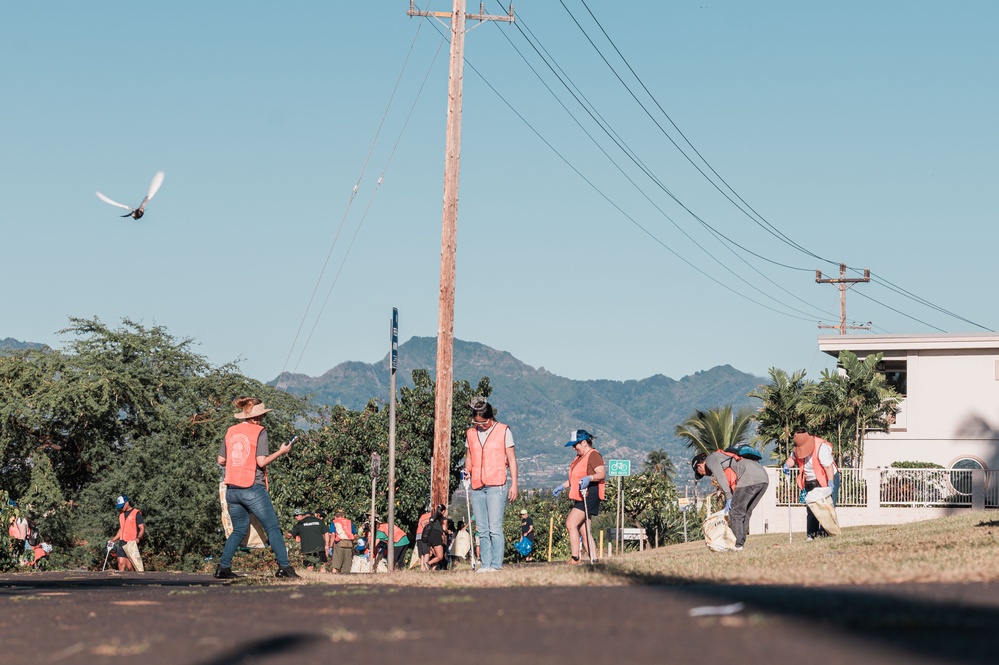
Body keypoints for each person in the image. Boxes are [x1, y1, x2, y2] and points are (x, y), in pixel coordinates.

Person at [215, 397, 299, 579]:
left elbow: (221, 460)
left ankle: (223, 567)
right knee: (272, 528)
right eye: (262, 415)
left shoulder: (231, 431)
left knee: (239, 530)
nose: (263, 419)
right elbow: (261, 461)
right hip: (252, 487)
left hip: (232, 489)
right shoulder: (260, 431)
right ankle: (285, 567)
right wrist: (281, 451)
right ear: (257, 416)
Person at [463, 399, 519, 572]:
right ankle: (485, 564)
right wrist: (466, 471)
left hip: (497, 484)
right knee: (482, 528)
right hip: (477, 485)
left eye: (484, 422)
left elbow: (511, 458)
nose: (480, 425)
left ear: (491, 418)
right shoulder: (470, 433)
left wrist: (514, 484)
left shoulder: (503, 431)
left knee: (495, 528)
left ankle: (496, 565)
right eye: (477, 422)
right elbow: (470, 457)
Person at [692, 447, 770, 551]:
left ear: (699, 465)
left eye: (699, 472)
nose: (704, 474)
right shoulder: (723, 456)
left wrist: (728, 496)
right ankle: (740, 544)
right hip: (763, 477)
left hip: (749, 477)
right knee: (745, 512)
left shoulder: (711, 459)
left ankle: (737, 545)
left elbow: (720, 476)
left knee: (736, 512)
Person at [553, 430, 606, 565]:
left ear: (583, 442)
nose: (574, 448)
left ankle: (575, 558)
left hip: (589, 494)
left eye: (575, 444)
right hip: (580, 495)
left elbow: (601, 473)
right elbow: (575, 479)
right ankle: (594, 559)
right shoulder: (579, 457)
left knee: (571, 523)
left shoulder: (593, 455)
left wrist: (590, 477)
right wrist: (562, 486)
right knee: (583, 529)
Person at [784, 427, 841, 540]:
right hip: (810, 481)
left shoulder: (820, 447)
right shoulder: (797, 448)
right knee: (812, 507)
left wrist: (830, 482)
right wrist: (786, 465)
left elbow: (828, 467)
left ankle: (825, 533)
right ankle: (812, 534)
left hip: (827, 477)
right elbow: (792, 459)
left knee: (827, 507)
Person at [110, 495, 145, 572]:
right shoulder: (121, 515)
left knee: (130, 566)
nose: (121, 508)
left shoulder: (136, 513)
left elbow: (142, 528)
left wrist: (138, 538)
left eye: (122, 506)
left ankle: (133, 581)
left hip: (131, 543)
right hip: (122, 541)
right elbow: (121, 529)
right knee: (121, 563)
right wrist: (113, 539)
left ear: (127, 503)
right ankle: (121, 581)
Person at [422, 505, 448, 570]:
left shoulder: (432, 518)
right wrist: (448, 531)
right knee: (440, 556)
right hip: (437, 536)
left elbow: (423, 523)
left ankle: (433, 570)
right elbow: (444, 529)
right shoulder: (443, 519)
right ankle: (428, 563)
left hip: (430, 536)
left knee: (436, 555)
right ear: (443, 511)